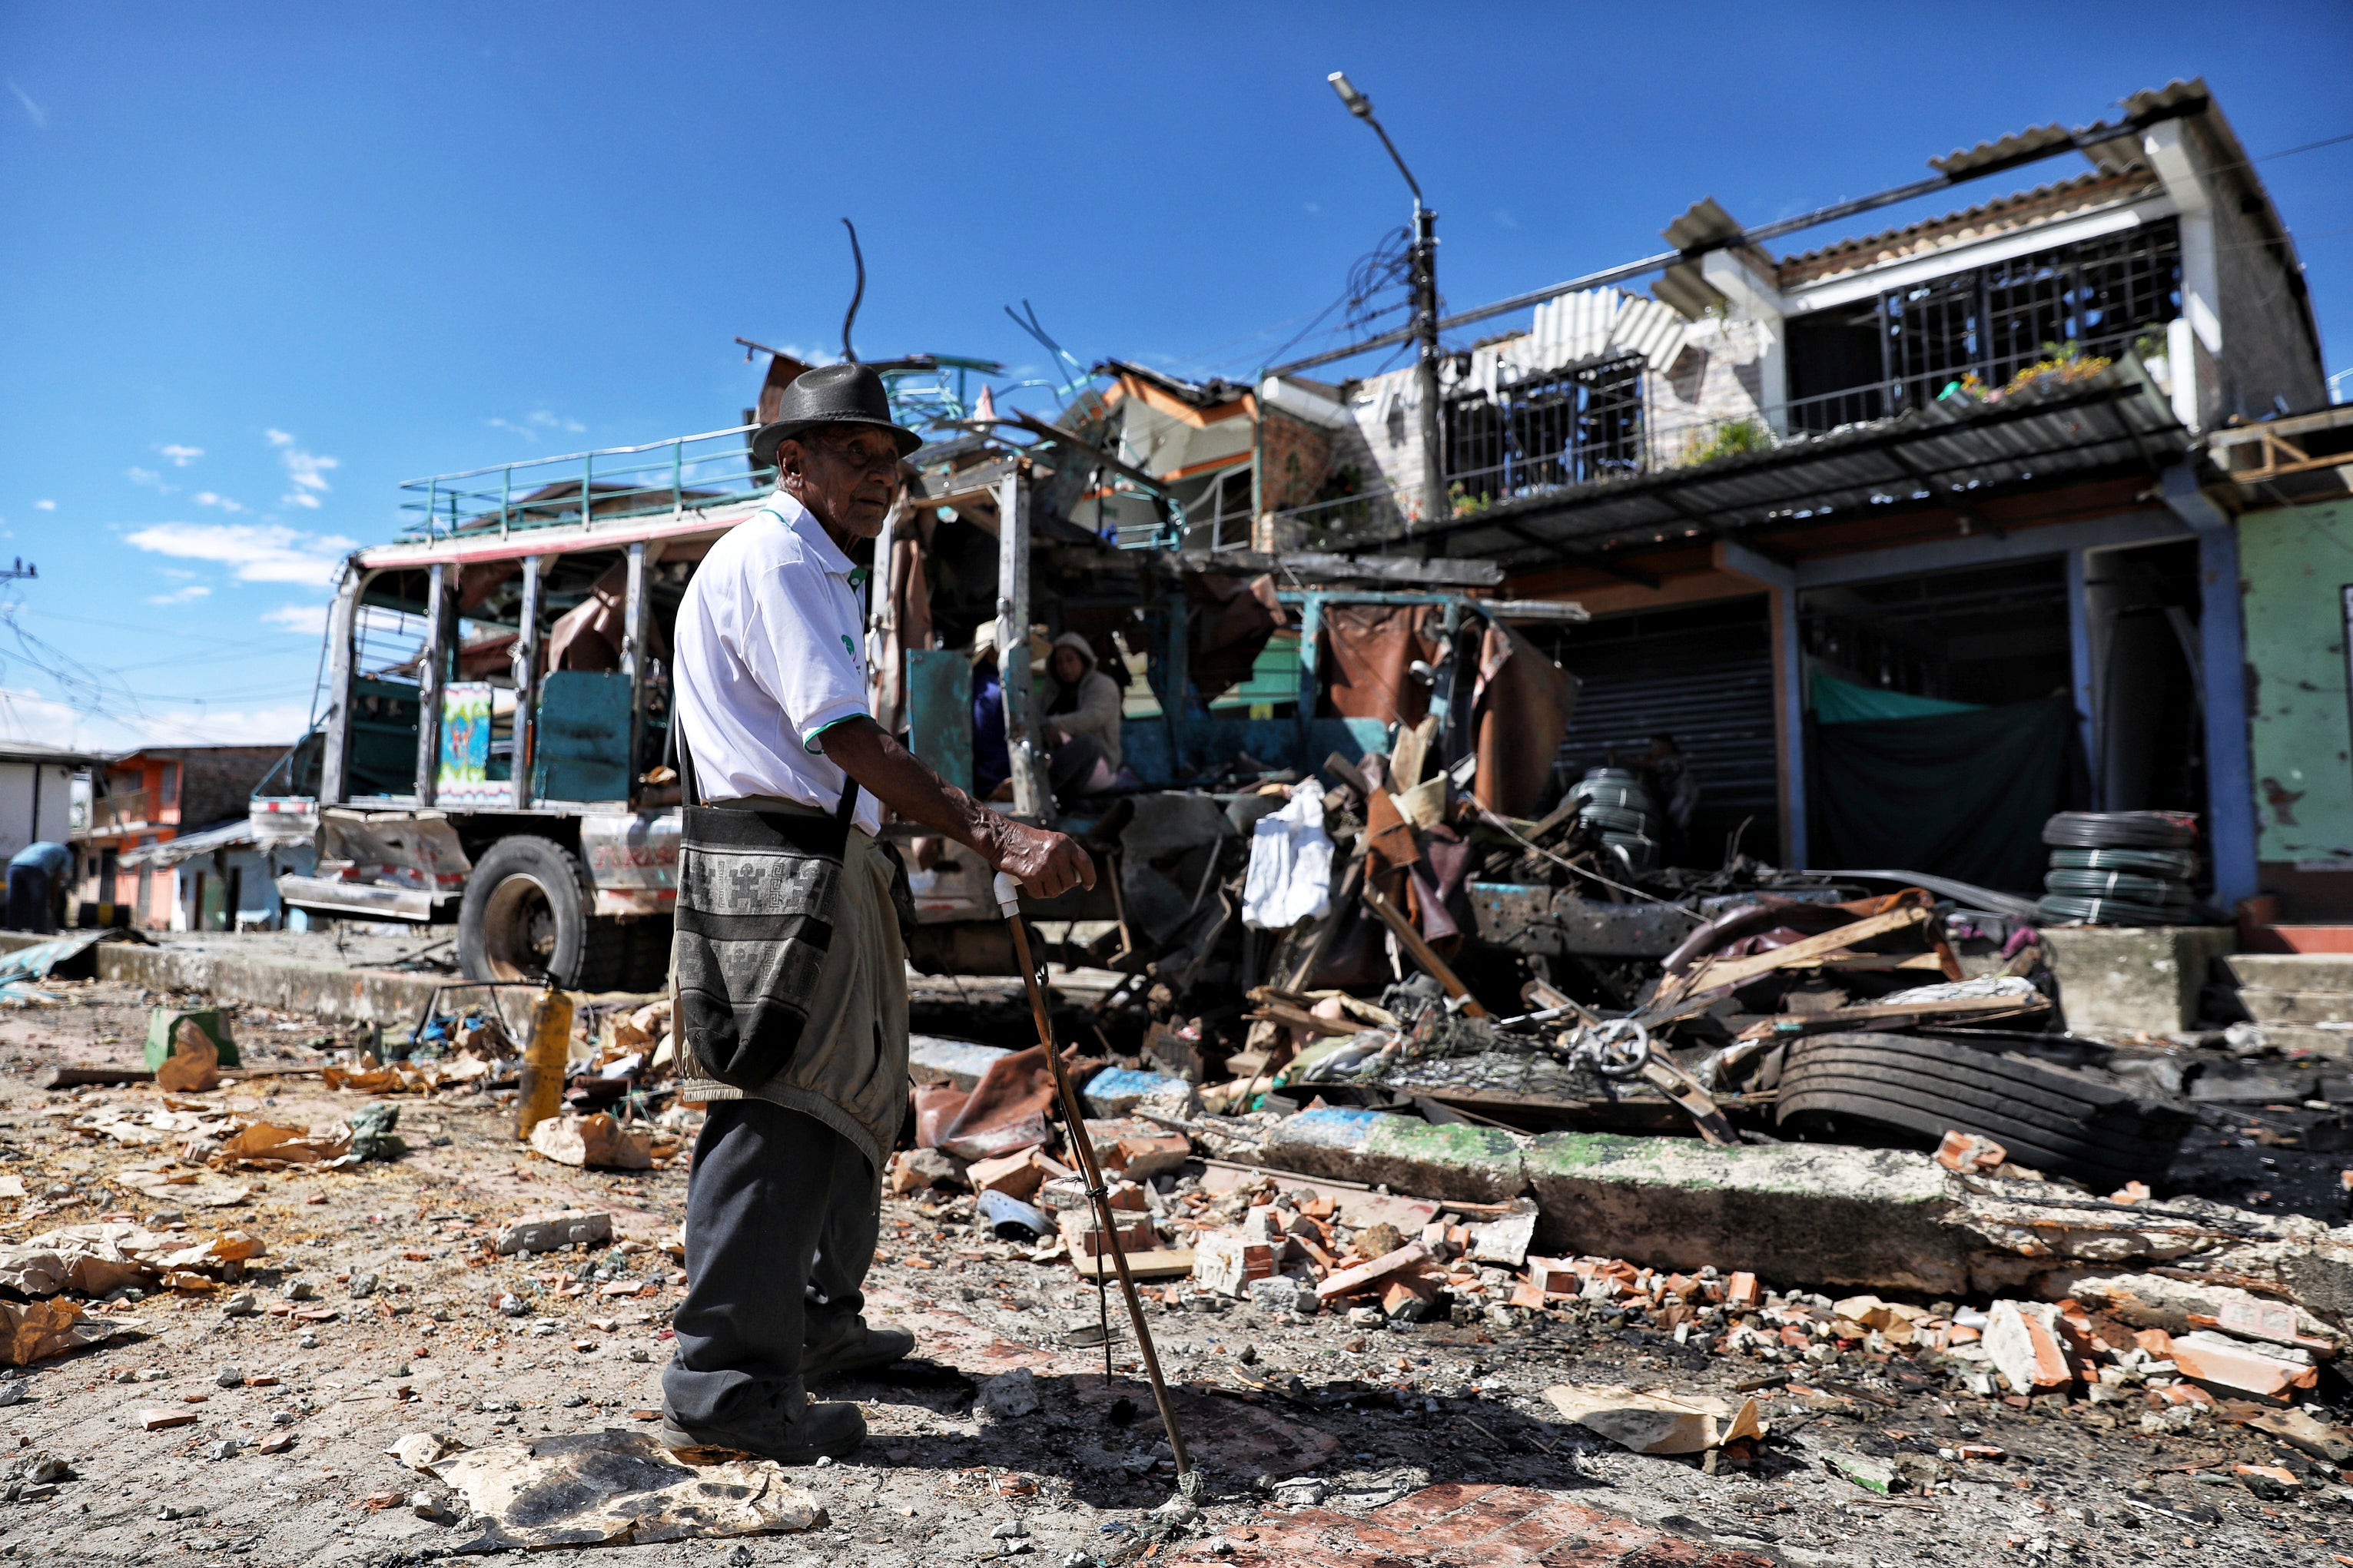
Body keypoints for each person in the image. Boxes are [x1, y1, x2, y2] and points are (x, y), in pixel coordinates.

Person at [662, 363, 1094, 1466]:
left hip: (821, 857)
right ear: (791, 461)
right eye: (856, 455)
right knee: (780, 1107)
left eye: (890, 459)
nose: (884, 477)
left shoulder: (812, 563)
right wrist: (994, 832)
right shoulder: (776, 557)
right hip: (778, 859)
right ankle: (724, 1385)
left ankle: (816, 1329)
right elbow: (843, 739)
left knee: (853, 1100)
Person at [1041, 632, 1122, 806]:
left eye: (1070, 660)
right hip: (1057, 762)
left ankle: (1045, 794)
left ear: (1083, 660)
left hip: (1099, 766)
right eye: (1059, 662)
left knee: (1087, 744)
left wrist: (1050, 725)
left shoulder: (1103, 685)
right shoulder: (1051, 692)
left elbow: (1090, 719)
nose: (1064, 667)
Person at [5, 841, 70, 933]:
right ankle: (40, 932)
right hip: (36, 869)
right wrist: (54, 899)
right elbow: (57, 879)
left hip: (14, 867)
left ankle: (13, 930)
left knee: (15, 902)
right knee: (39, 904)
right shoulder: (67, 854)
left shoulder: (44, 845)